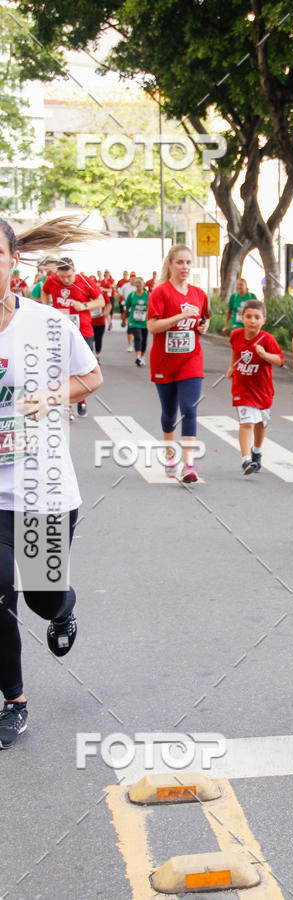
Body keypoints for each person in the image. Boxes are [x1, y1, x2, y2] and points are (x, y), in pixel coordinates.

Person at [0, 217, 103, 749]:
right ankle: (13, 700)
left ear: (13, 259)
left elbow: (91, 377)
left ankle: (61, 608)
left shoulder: (46, 323)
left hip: (42, 487)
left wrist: (49, 397)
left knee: (40, 596)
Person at [147, 245, 210, 483]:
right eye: (180, 262)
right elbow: (152, 326)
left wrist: (203, 327)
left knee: (189, 408)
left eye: (188, 262)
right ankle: (170, 455)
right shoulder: (160, 293)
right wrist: (181, 317)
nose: (185, 267)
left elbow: (203, 321)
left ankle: (189, 466)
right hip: (164, 361)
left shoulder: (198, 293)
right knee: (169, 412)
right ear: (170, 265)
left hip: (191, 359)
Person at [41, 257, 104, 417]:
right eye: (62, 277)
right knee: (62, 368)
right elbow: (44, 291)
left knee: (85, 370)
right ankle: (67, 404)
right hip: (59, 331)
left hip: (83, 331)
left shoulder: (85, 281)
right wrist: (45, 308)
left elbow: (101, 301)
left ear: (74, 271)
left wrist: (84, 305)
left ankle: (82, 399)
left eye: (69, 276)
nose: (66, 280)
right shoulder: (52, 280)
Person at [226, 300, 284, 474]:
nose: (252, 321)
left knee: (260, 423)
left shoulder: (267, 339)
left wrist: (264, 354)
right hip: (242, 389)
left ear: (263, 320)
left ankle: (256, 451)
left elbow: (280, 361)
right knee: (247, 423)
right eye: (248, 316)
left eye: (257, 317)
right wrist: (231, 367)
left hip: (263, 390)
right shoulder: (236, 335)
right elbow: (235, 351)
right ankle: (246, 460)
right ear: (242, 318)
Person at [125, 276, 149, 366]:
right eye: (136, 282)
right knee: (138, 338)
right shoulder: (131, 295)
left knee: (144, 340)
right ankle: (138, 357)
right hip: (134, 321)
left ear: (144, 284)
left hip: (145, 322)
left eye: (140, 282)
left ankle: (142, 357)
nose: (138, 284)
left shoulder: (148, 295)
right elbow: (127, 308)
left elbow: (152, 308)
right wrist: (124, 319)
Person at [120, 272, 137, 351]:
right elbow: (121, 294)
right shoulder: (125, 286)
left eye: (134, 277)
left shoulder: (138, 286)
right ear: (130, 278)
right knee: (130, 325)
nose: (133, 278)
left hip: (136, 309)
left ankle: (134, 339)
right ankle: (130, 344)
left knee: (135, 326)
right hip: (127, 307)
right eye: (131, 277)